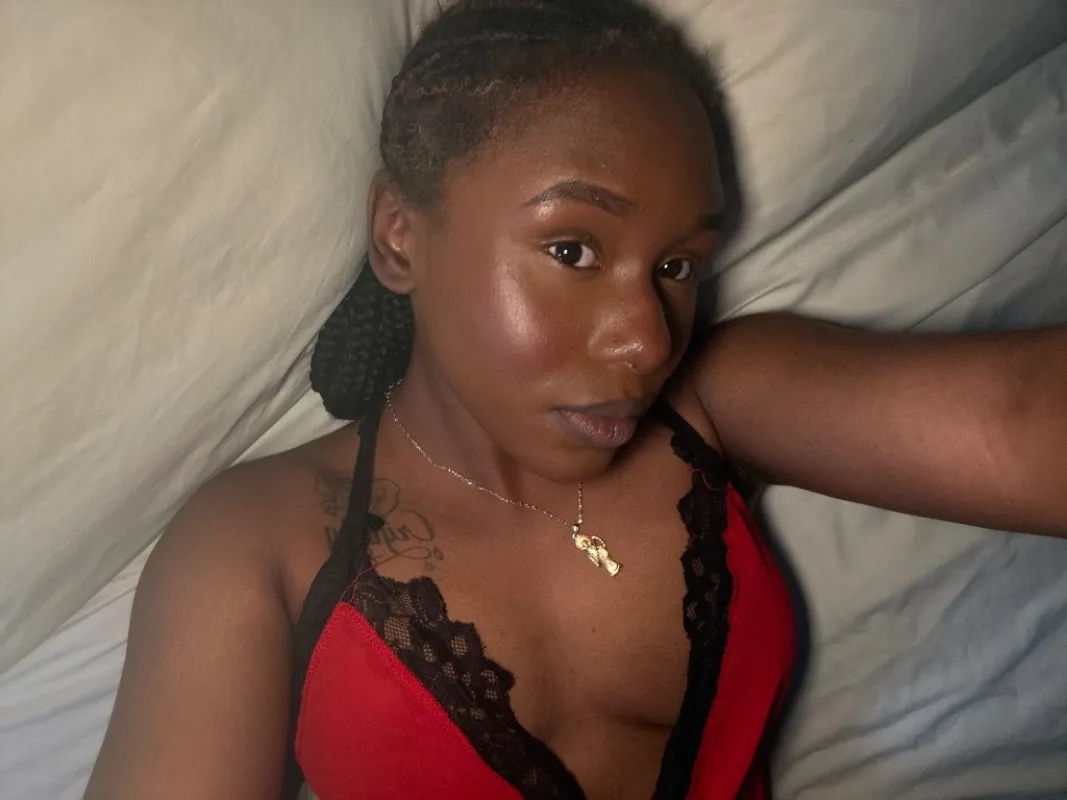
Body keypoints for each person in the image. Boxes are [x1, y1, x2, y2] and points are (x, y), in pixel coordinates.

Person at [85, 1, 1067, 798]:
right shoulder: (261, 542)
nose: (647, 338)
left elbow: (1017, 417)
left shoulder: (715, 405)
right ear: (398, 235)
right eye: (572, 249)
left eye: (677, 265)